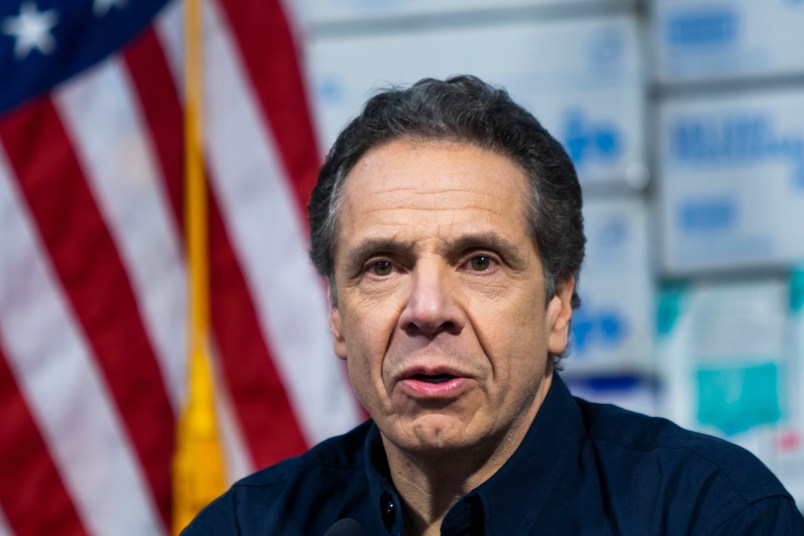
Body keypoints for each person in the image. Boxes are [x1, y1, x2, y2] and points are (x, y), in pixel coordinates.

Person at [183, 75, 804, 535]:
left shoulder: (708, 512)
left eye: (479, 261)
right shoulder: (246, 525)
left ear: (558, 303)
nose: (426, 309)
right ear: (338, 315)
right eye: (382, 267)